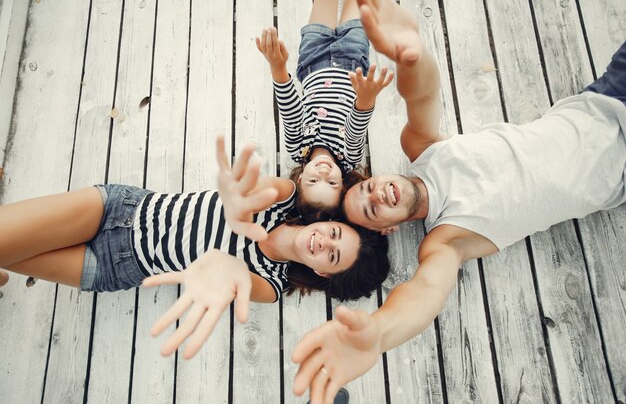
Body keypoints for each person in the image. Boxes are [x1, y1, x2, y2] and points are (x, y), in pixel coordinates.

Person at [288, 0, 626, 403]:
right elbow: (425, 294)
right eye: (372, 211)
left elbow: (422, 94)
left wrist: (413, 55)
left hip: (603, 98)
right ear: (391, 228)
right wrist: (379, 332)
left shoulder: (423, 148)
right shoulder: (446, 239)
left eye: (366, 189)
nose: (376, 195)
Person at [0, 135, 390, 359]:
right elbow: (257, 191)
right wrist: (239, 202)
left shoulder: (270, 285)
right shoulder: (286, 199)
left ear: (323, 272)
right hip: (122, 209)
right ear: (329, 222)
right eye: (335, 234)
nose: (324, 242)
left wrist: (229, 268)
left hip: (117, 266)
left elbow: (237, 279)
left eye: (332, 256)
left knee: (10, 256)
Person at [255, 0, 393, 222]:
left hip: (313, 59)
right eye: (331, 182)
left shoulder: (298, 148)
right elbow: (355, 128)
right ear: (342, 184)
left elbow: (291, 111)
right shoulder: (348, 157)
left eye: (313, 180)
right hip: (353, 59)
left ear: (299, 179)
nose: (323, 172)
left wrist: (278, 68)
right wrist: (366, 99)